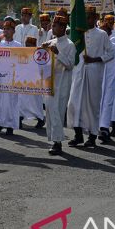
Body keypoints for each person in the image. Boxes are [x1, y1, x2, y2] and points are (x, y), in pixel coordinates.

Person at [67, 5, 113, 148]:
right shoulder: (78, 34)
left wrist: (95, 59)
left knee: (91, 106)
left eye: (89, 17)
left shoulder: (102, 34)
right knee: (74, 104)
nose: (86, 20)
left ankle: (92, 136)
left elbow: (110, 53)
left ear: (95, 18)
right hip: (79, 73)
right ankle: (78, 135)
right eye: (85, 17)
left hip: (94, 73)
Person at [41, 14, 75, 155]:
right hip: (49, 81)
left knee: (57, 111)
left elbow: (70, 64)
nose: (52, 27)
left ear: (62, 27)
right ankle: (54, 139)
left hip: (62, 83)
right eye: (53, 25)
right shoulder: (50, 42)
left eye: (55, 25)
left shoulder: (70, 45)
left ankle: (58, 142)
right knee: (49, 111)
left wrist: (58, 53)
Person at [0, 17, 22, 136]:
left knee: (11, 103)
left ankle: (10, 125)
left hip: (12, 77)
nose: (5, 31)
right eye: (4, 29)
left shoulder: (18, 45)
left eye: (8, 29)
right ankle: (0, 122)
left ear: (13, 31)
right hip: (0, 77)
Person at [97, 16, 115, 143]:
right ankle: (95, 128)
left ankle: (104, 127)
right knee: (97, 102)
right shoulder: (95, 48)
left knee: (108, 102)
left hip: (111, 81)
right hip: (97, 79)